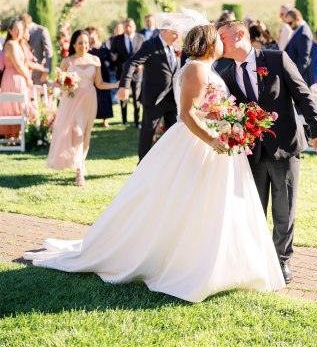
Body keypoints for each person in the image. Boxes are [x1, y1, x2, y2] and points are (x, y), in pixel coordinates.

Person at [24, 22, 286, 302]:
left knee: (212, 205)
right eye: (219, 39)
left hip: (216, 145)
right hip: (198, 145)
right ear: (210, 44)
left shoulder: (206, 68)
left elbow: (211, 108)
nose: (223, 43)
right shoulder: (197, 69)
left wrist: (233, 125)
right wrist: (212, 139)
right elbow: (187, 114)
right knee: (187, 203)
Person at [217, 20, 317, 284]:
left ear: (240, 34)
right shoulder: (225, 74)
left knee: (283, 209)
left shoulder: (277, 59)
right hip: (251, 154)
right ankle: (257, 260)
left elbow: (303, 95)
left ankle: (281, 261)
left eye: (222, 36)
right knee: (254, 211)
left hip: (285, 147)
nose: (218, 42)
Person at [47, 29, 119, 186]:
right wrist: (67, 85)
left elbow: (99, 83)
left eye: (86, 43)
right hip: (72, 100)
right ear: (74, 44)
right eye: (80, 43)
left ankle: (80, 165)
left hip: (90, 99)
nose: (83, 46)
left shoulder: (95, 60)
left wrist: (116, 84)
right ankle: (78, 168)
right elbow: (58, 83)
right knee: (77, 132)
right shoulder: (67, 61)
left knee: (86, 134)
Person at [117, 13, 182, 161]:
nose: (177, 36)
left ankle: (172, 163)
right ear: (164, 30)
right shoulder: (150, 45)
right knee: (147, 133)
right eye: (174, 33)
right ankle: (142, 164)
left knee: (176, 132)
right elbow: (131, 63)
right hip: (154, 99)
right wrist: (124, 86)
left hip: (172, 99)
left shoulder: (175, 48)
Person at [0, 19, 33, 136]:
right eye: (16, 29)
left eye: (20, 29)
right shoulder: (10, 45)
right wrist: (28, 78)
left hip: (19, 77)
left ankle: (18, 136)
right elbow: (18, 65)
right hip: (12, 78)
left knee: (19, 105)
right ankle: (12, 136)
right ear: (10, 30)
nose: (18, 32)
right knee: (13, 105)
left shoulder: (18, 44)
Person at [111, 19, 144, 127]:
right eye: (126, 26)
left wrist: (141, 65)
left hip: (137, 73)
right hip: (122, 73)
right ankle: (124, 120)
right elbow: (113, 55)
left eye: (130, 26)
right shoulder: (117, 39)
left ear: (134, 26)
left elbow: (146, 56)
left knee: (136, 97)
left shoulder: (141, 38)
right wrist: (114, 58)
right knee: (123, 96)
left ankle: (137, 121)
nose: (128, 28)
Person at [87, 27, 114, 128]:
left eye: (93, 34)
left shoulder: (104, 46)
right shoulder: (88, 48)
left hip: (104, 74)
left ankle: (105, 120)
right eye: (90, 35)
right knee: (94, 97)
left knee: (105, 97)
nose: (92, 37)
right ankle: (92, 118)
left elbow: (109, 58)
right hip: (92, 76)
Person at [284, 8, 314, 86]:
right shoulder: (299, 30)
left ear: (298, 19)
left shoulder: (304, 34)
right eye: (287, 23)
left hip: (300, 79)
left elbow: (303, 60)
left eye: (290, 23)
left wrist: (293, 77)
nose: (289, 26)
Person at [20, 13, 53, 85]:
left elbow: (48, 52)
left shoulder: (42, 31)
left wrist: (46, 71)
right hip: (24, 73)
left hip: (39, 74)